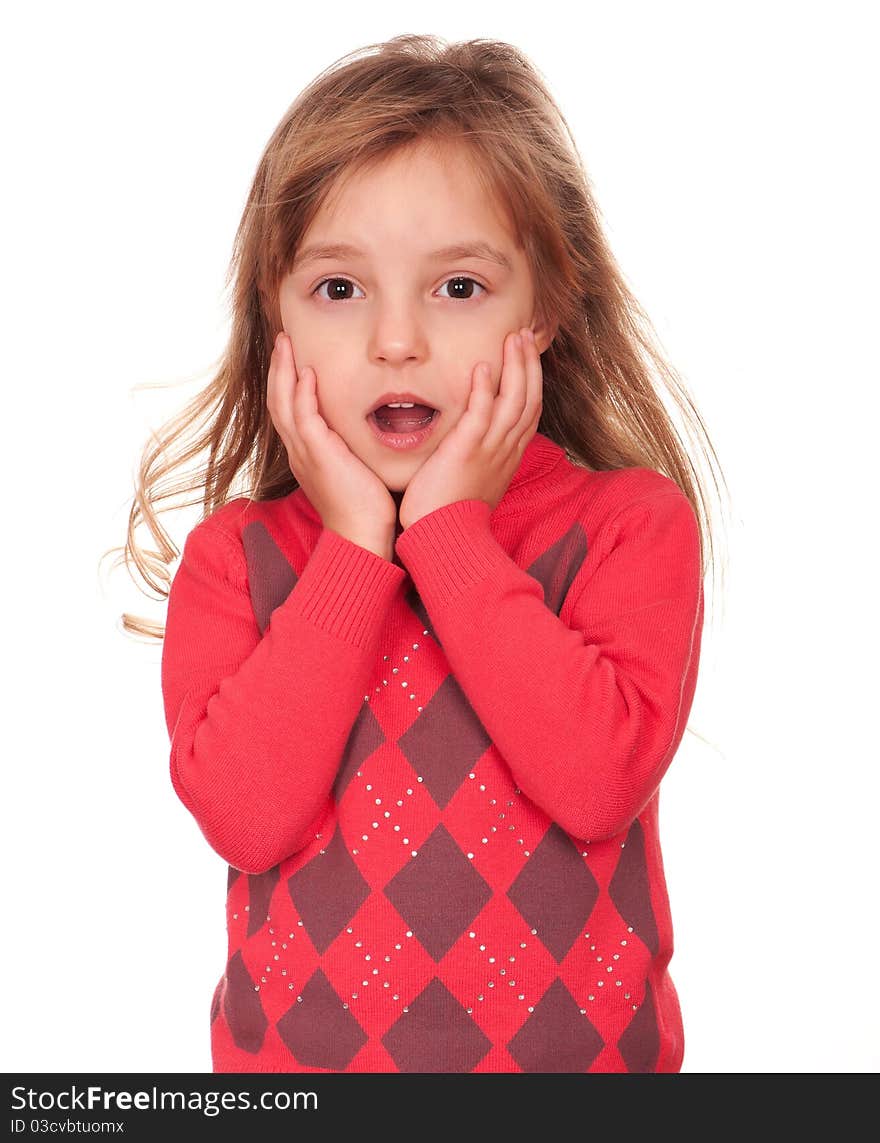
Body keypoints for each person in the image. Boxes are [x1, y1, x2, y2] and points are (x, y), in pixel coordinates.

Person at [124, 33, 727, 1073]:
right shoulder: (238, 561)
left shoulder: (629, 529)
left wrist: (448, 534)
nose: (395, 341)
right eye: (339, 290)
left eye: (456, 288)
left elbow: (596, 782)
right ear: (276, 314)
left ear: (542, 307)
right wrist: (356, 548)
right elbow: (245, 818)